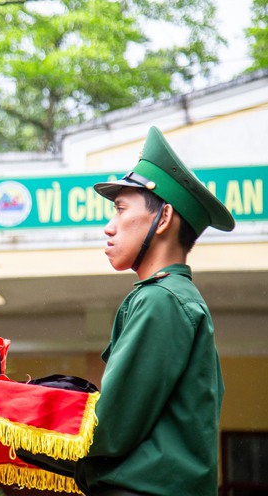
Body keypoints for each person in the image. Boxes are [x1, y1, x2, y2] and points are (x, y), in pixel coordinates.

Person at [74, 126, 235, 495]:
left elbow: (109, 430)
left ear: (162, 219)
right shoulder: (174, 296)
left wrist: (12, 424)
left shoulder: (161, 299)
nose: (108, 228)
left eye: (120, 210)